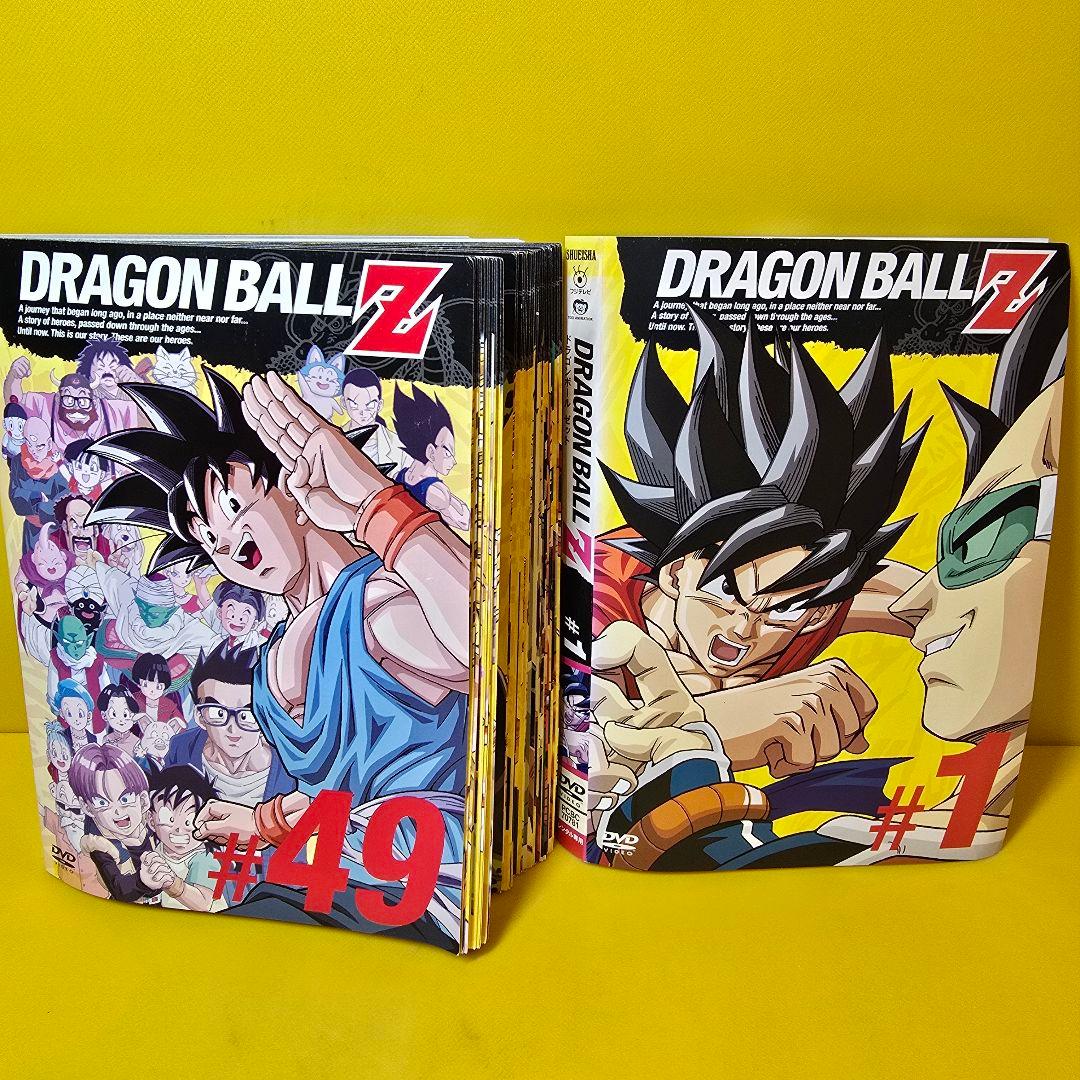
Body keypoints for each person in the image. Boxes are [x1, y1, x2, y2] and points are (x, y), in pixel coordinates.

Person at [87, 368, 471, 947]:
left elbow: (486, 650)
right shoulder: (269, 665)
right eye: (211, 542)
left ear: (292, 486)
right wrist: (262, 822)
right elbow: (333, 794)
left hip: (427, 882)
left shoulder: (379, 603)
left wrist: (374, 503)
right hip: (333, 874)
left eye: (235, 508)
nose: (231, 549)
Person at [585, 311, 930, 869]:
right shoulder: (599, 595)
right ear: (674, 572)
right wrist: (722, 725)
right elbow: (575, 737)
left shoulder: (824, 592)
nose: (745, 628)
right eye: (725, 590)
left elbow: (959, 603)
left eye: (787, 607)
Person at [165, 641, 293, 807]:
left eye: (246, 715)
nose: (233, 728)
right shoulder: (182, 749)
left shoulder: (288, 764)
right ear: (200, 716)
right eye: (218, 713)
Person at [70, 744, 161, 903]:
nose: (118, 811)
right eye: (102, 803)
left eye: (125, 799)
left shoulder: (153, 825)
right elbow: (120, 889)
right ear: (87, 807)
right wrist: (142, 881)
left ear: (143, 800)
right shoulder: (101, 845)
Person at [141, 764, 224, 911]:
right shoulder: (156, 850)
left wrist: (171, 884)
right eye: (168, 819)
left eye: (189, 822)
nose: (178, 830)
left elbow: (203, 904)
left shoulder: (204, 859)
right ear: (151, 820)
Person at [392, 385, 469, 531]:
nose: (453, 461)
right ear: (431, 452)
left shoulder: (398, 476)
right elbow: (465, 522)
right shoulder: (437, 492)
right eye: (448, 452)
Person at [341, 367, 406, 471]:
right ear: (343, 403)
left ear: (379, 405)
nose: (362, 412)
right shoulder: (332, 438)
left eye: (370, 405)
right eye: (354, 404)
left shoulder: (398, 444)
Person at [131, 653, 186, 733]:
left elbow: (182, 727)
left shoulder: (169, 705)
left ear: (164, 686)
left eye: (158, 686)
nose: (152, 691)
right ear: (139, 684)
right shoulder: (133, 700)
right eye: (146, 684)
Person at [205, 581, 267, 649]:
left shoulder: (255, 640)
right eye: (232, 615)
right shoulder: (218, 625)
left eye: (245, 615)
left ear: (254, 624)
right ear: (220, 613)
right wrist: (200, 584)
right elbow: (207, 603)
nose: (237, 619)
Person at [52, 679, 103, 753]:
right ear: (62, 715)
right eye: (69, 714)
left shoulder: (92, 739)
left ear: (89, 715)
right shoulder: (62, 737)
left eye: (80, 714)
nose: (76, 719)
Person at [98, 684, 142, 757]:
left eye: (125, 714)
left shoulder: (137, 742)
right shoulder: (106, 739)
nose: (121, 720)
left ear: (134, 715)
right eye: (114, 714)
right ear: (104, 715)